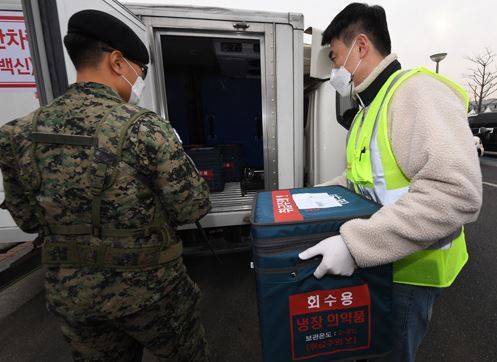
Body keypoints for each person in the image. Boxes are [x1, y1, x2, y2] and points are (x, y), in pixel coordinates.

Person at [0, 9, 211, 362]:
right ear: (117, 62)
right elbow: (192, 207)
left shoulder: (16, 134)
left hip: (74, 295)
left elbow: (26, 220)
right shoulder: (146, 128)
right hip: (152, 291)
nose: (139, 79)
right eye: (139, 71)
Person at [299, 3, 482, 361]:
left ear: (361, 46)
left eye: (336, 58)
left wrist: (355, 244)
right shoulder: (370, 108)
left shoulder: (414, 92)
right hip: (384, 261)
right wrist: (303, 201)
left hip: (411, 272)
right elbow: (359, 180)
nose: (335, 69)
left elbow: (456, 192)